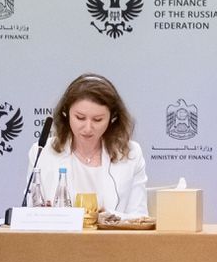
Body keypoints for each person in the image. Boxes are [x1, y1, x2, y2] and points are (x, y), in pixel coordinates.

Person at [25, 73, 148, 216]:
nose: (88, 128)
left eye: (97, 120)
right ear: (66, 113)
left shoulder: (131, 153)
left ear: (113, 117)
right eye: (80, 118)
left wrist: (108, 218)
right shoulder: (42, 152)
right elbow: (29, 214)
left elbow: (139, 218)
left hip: (111, 231)